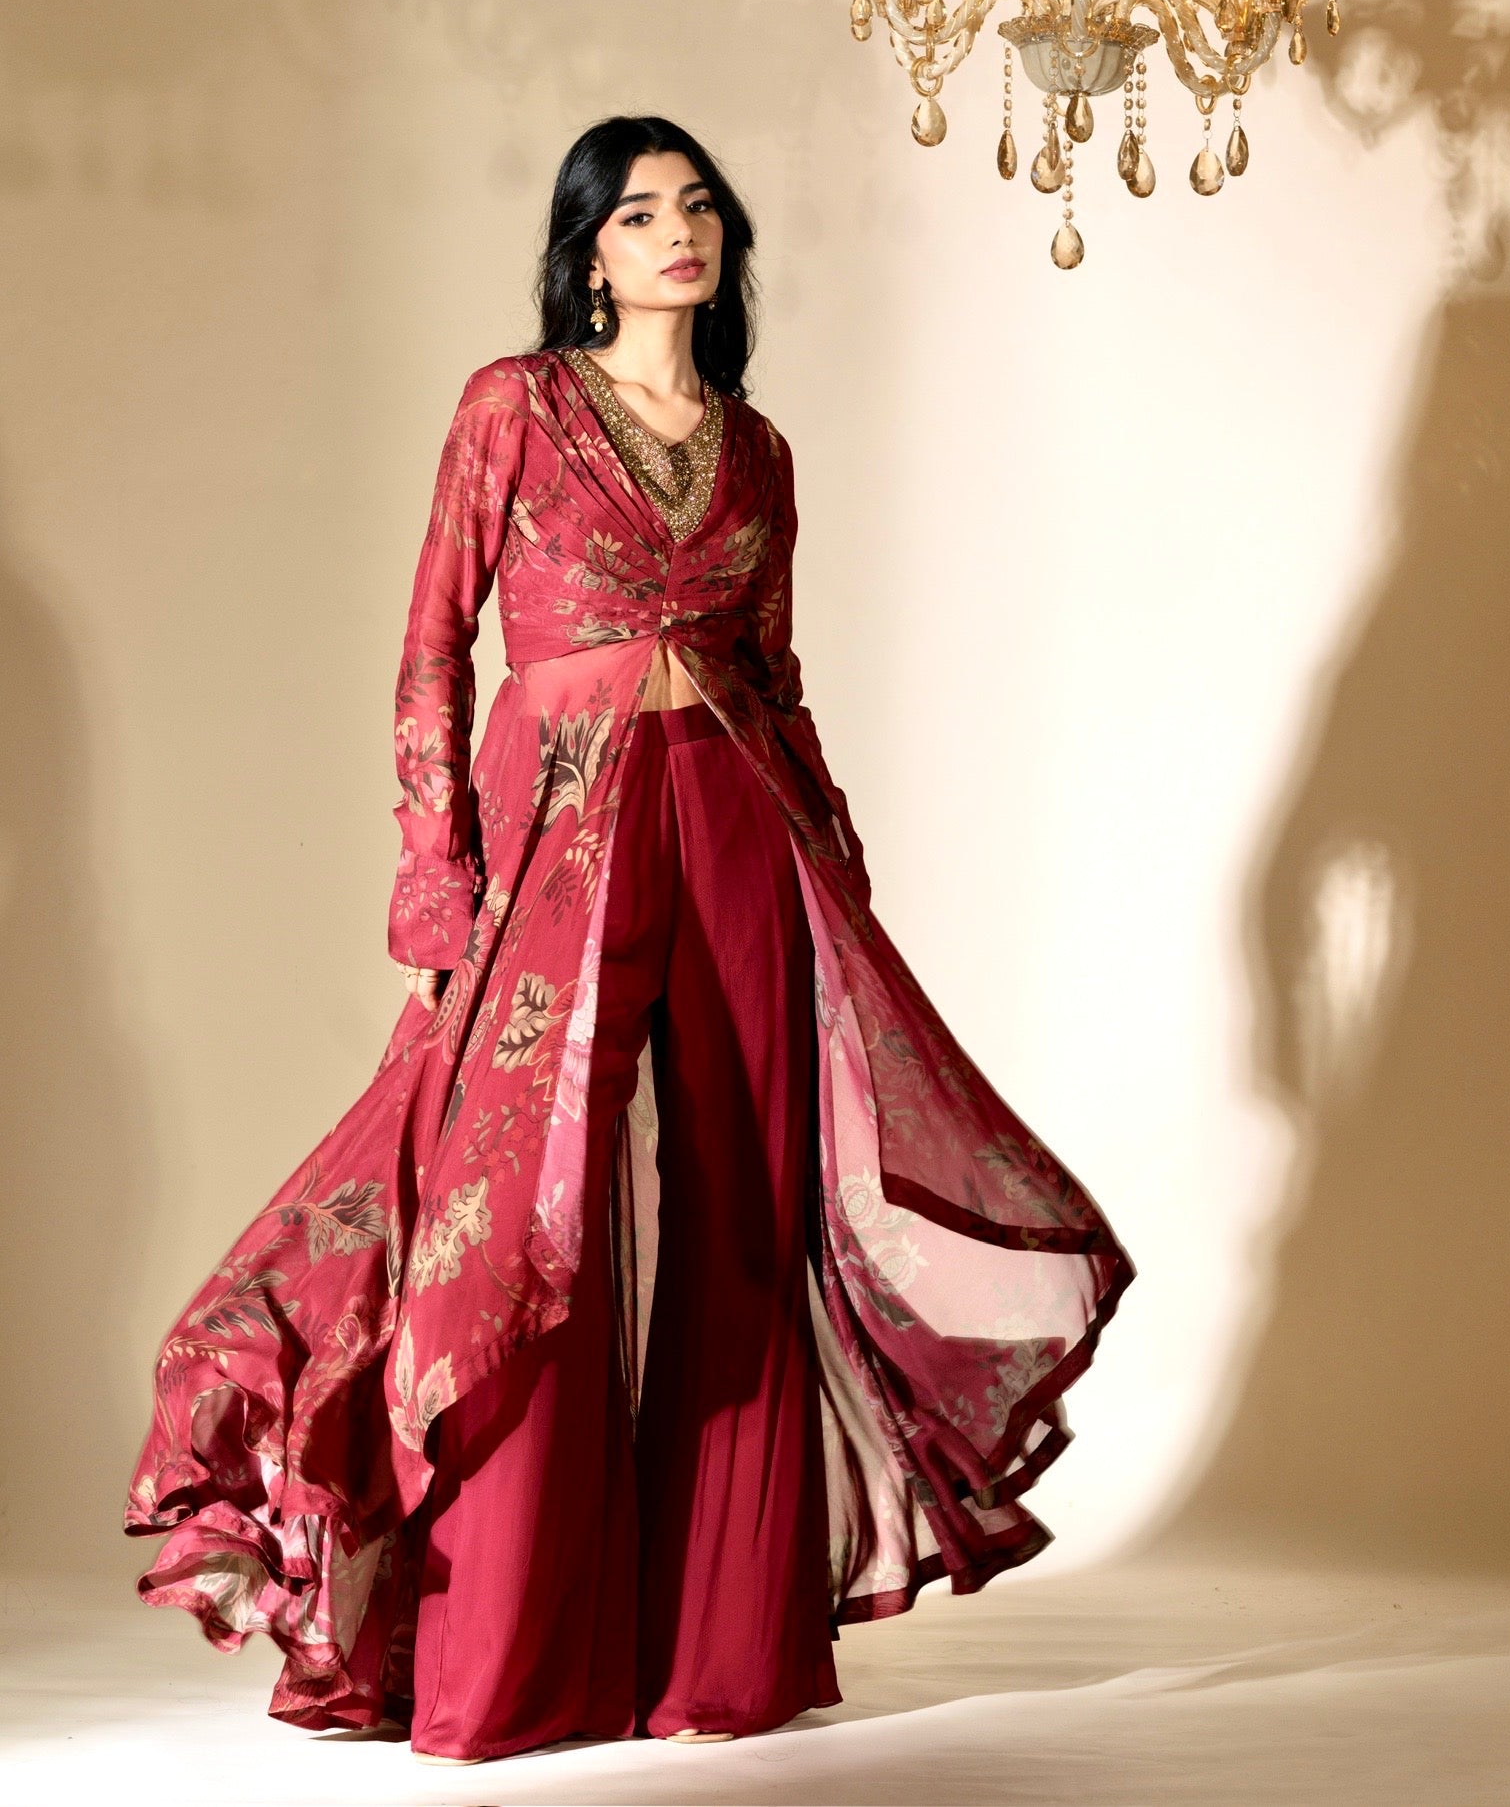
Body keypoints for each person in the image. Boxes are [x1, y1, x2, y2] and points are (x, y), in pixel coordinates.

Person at [123, 115, 1136, 1767]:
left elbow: (776, 676)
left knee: (745, 1209)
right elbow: (432, 649)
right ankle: (512, 1669)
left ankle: (725, 1659)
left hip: (737, 822)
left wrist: (835, 863)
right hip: (555, 828)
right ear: (588, 251)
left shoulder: (760, 452)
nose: (681, 231)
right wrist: (435, 872)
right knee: (527, 1222)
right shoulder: (513, 405)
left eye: (700, 205)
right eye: (641, 211)